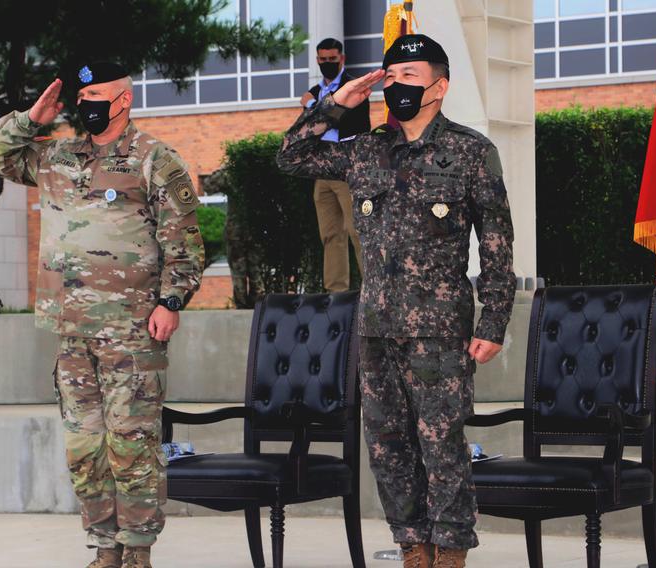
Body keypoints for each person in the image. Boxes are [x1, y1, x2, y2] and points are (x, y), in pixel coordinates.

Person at [277, 35, 516, 568]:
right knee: (387, 447)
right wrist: (337, 104)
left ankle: (451, 553)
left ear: (439, 87)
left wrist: (493, 320)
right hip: (376, 328)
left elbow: (498, 244)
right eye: (392, 77)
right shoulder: (366, 150)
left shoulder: (471, 152)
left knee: (441, 447)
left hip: (439, 330)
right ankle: (413, 548)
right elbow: (291, 156)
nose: (398, 87)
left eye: (411, 76)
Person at [0, 62, 204, 568]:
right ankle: (104, 548)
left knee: (132, 445)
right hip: (72, 332)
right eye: (81, 95)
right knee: (84, 449)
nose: (86, 104)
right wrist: (31, 117)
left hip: (132, 330)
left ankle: (137, 551)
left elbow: (185, 241)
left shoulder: (154, 159)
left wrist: (171, 302)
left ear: (122, 100)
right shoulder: (58, 155)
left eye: (96, 94)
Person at [300, 38, 370, 292]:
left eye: (331, 59)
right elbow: (306, 125)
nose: (326, 63)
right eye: (322, 60)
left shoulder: (353, 87)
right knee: (330, 234)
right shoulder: (317, 90)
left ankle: (373, 288)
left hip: (346, 166)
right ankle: (335, 292)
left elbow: (347, 119)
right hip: (322, 169)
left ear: (341, 58)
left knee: (357, 230)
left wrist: (312, 104)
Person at [201, 167, 266, 308]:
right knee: (249, 273)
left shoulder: (236, 173)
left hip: (243, 232)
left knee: (250, 273)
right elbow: (207, 186)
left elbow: (208, 184)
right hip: (244, 232)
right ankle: (253, 307)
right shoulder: (252, 172)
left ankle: (250, 307)